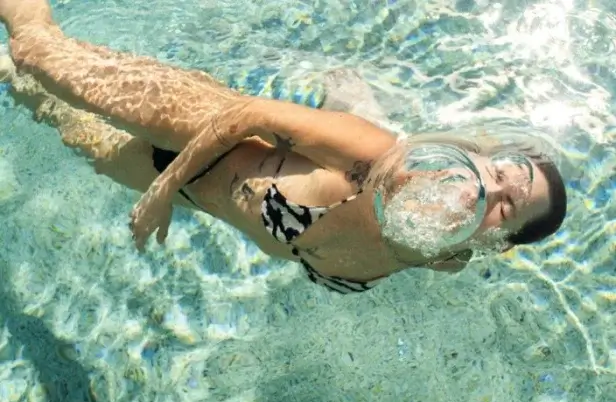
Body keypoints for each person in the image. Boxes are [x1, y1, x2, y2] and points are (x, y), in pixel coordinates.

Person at [0, 0, 567, 294]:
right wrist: (161, 193)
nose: (481, 188)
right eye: (499, 172)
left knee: (40, 101)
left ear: (496, 243)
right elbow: (248, 116)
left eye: (505, 207)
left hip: (190, 189)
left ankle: (351, 95)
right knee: (36, 52)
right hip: (194, 127)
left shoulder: (443, 257)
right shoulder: (375, 161)